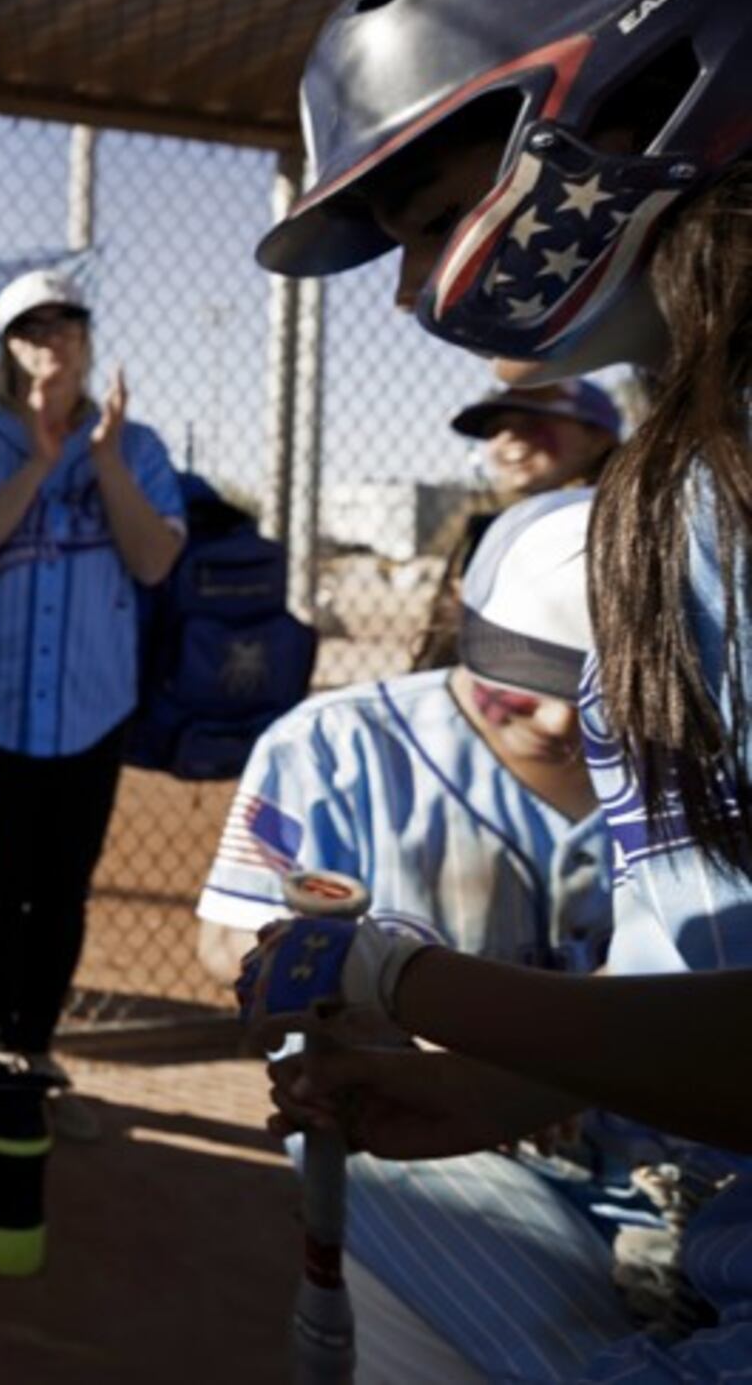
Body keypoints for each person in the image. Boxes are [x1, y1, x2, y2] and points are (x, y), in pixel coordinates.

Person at [239, 0, 752, 1379]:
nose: (413, 291)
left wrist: (407, 978)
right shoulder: (694, 469)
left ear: (630, 94)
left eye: (426, 213)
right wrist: (501, 1091)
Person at [203, 493, 665, 1380]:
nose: (564, 720)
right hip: (425, 1135)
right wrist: (345, 990)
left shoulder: (688, 761)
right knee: (562, 1351)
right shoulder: (334, 741)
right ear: (464, 617)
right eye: (531, 677)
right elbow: (233, 939)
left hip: (657, 1154)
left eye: (599, 690)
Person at [0, 267, 183, 1123]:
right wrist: (38, 464)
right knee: (1, 877)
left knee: (65, 882)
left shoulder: (137, 446)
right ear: (7, 347)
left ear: (84, 337)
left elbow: (153, 559)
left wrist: (102, 462)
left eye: (66, 324)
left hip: (91, 704)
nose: (52, 340)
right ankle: (1, 1041)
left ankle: (37, 1043)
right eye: (32, 328)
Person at [411, 378, 622, 670]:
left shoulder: (624, 521)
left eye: (532, 422)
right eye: (494, 430)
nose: (508, 438)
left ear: (597, 437)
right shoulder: (495, 529)